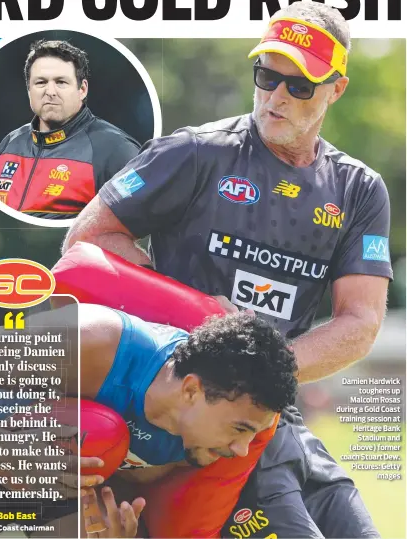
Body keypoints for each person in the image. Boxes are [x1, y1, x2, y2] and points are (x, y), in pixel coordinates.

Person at [62, 2, 391, 537]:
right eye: (267, 74)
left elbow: (359, 322)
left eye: (300, 85)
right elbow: (88, 238)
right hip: (205, 422)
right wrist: (179, 313)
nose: (276, 95)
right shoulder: (193, 152)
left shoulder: (358, 189)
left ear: (337, 89)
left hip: (273, 414)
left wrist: (257, 375)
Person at [0, 304, 297, 538]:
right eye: (240, 429)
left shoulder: (195, 443)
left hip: (64, 481)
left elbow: (118, 484)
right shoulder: (96, 341)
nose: (242, 450)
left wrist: (116, 525)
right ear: (191, 391)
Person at [0, 39, 141, 219]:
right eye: (41, 82)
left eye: (61, 82)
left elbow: (139, 218)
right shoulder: (10, 143)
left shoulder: (115, 149)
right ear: (29, 90)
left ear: (82, 89)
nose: (50, 91)